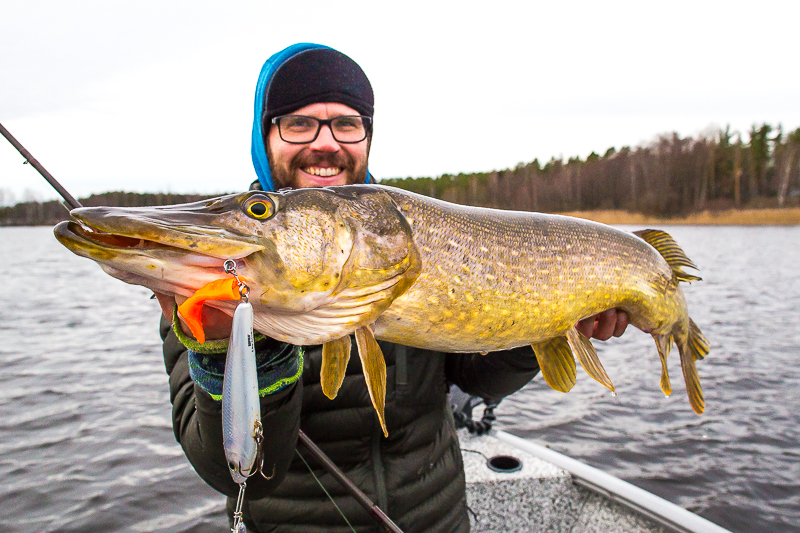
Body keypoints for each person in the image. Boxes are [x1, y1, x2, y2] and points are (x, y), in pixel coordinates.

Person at [155, 43, 628, 532]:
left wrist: (545, 321)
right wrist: (223, 349)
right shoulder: (214, 270)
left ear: (366, 136)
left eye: (347, 123)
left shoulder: (411, 235)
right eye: (298, 123)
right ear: (263, 135)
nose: (326, 142)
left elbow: (479, 380)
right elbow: (232, 473)